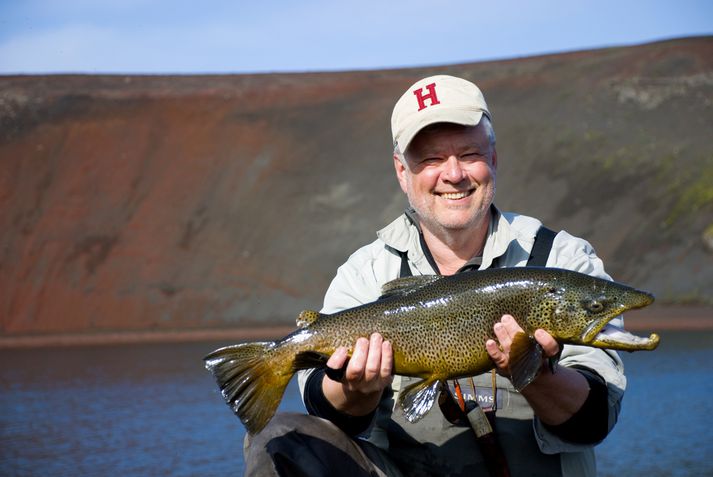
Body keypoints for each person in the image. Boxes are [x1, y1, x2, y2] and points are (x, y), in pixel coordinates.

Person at [244, 75, 626, 477]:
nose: (454, 173)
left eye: (469, 153)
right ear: (401, 172)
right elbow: (321, 406)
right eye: (430, 159)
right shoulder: (365, 274)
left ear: (493, 159)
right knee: (280, 437)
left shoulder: (561, 261)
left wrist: (534, 372)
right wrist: (353, 391)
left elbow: (597, 418)